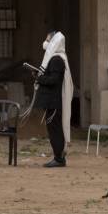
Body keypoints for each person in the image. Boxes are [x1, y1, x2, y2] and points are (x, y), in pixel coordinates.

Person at [34, 30, 73, 168]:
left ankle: (59, 158)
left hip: (54, 102)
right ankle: (58, 157)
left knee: (55, 130)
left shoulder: (57, 59)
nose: (46, 43)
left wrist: (40, 78)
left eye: (48, 40)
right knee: (53, 129)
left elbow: (54, 80)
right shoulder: (55, 58)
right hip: (52, 102)